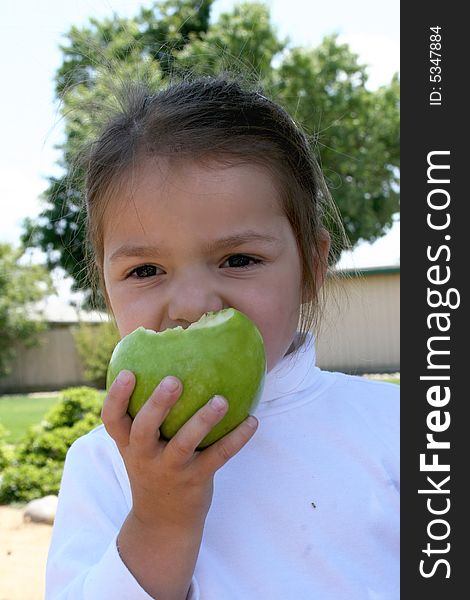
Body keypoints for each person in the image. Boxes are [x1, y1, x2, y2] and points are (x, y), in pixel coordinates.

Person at [45, 76, 399, 600]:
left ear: (311, 267)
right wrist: (159, 520)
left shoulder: (395, 426)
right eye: (145, 270)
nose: (191, 305)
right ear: (105, 287)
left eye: (238, 260)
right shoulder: (103, 464)